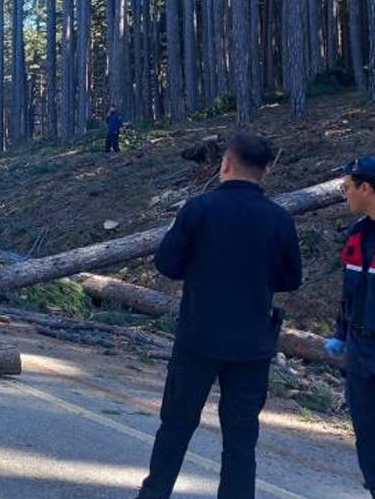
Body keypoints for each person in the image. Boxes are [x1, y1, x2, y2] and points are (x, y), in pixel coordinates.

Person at [135, 133, 303, 499]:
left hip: (199, 335)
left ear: (225, 164)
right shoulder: (279, 218)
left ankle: (154, 494)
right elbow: (291, 278)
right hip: (253, 342)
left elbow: (167, 264)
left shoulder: (200, 208)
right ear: (266, 172)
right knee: (241, 439)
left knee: (176, 426)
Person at [323, 156, 375, 499]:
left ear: (366, 188)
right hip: (360, 348)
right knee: (369, 431)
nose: (344, 193)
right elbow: (350, 292)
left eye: (347, 187)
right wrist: (340, 334)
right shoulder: (358, 233)